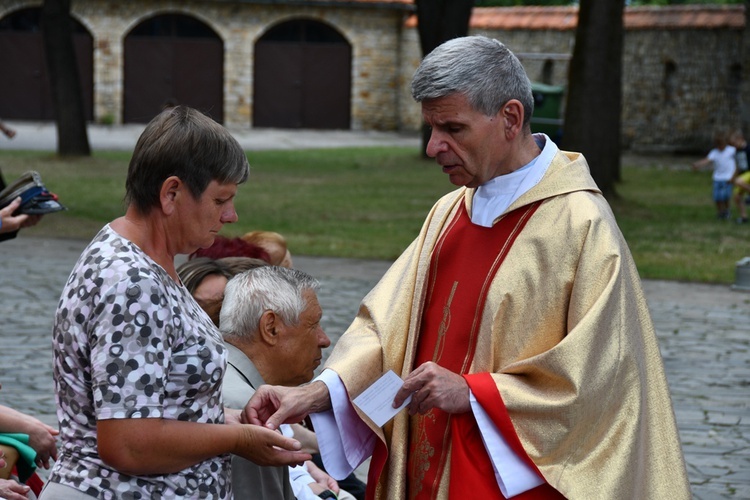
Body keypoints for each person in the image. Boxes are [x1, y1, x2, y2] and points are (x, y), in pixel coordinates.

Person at [246, 36, 691, 499]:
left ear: (510, 119)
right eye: (431, 129)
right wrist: (316, 394)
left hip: (508, 479)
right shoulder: (448, 213)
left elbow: (602, 382)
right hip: (424, 464)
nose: (433, 147)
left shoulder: (580, 226)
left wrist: (475, 393)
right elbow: (386, 335)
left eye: (452, 129)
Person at [40, 105, 309, 500]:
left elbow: (150, 407)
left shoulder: (145, 260)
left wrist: (225, 416)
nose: (232, 215)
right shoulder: (131, 282)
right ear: (171, 193)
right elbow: (128, 442)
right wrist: (233, 438)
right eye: (221, 200)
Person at [220, 266, 348, 500]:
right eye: (313, 325)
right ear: (271, 328)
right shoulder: (245, 407)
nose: (325, 340)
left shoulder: (226, 381)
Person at [693, 128, 737, 220]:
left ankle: (727, 210)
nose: (719, 147)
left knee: (725, 196)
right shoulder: (714, 152)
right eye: (718, 145)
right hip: (717, 178)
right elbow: (707, 160)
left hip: (728, 178)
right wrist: (698, 165)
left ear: (725, 143)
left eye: (721, 144)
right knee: (717, 197)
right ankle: (720, 212)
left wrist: (734, 175)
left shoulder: (732, 150)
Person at [729, 129, 750, 224]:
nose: (733, 145)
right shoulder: (737, 152)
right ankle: (744, 217)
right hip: (744, 174)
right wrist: (732, 177)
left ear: (740, 139)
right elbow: (739, 167)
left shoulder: (748, 148)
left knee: (739, 181)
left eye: (734, 143)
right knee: (737, 197)